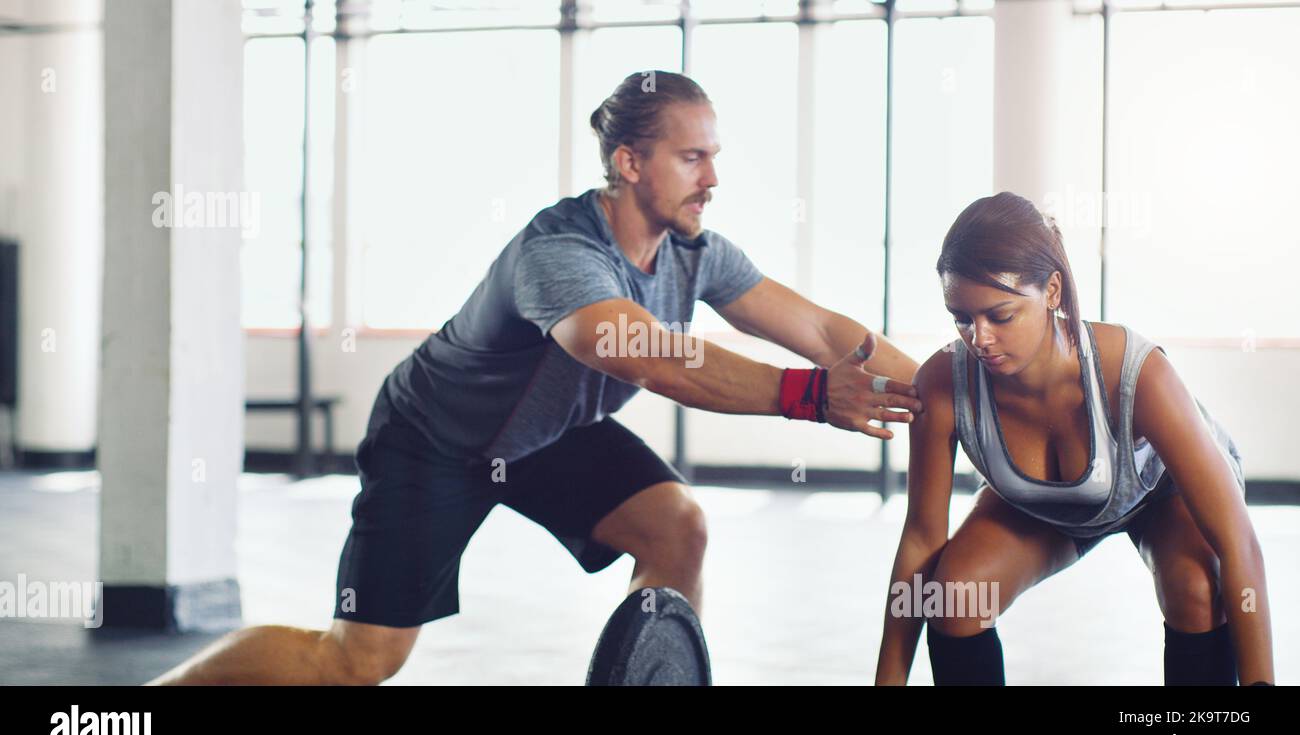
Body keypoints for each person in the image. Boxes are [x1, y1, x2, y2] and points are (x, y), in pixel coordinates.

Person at [148, 70, 923, 685]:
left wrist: (945, 391)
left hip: (547, 436)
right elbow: (647, 355)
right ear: (629, 163)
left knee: (676, 526)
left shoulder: (695, 252)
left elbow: (822, 331)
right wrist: (809, 396)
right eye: (694, 157)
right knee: (356, 662)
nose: (713, 177)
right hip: (437, 439)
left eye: (715, 156)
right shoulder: (559, 254)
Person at [874, 192, 1274, 686]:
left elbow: (1239, 544)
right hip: (1042, 507)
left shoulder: (1137, 373)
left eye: (1000, 315)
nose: (979, 339)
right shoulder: (941, 384)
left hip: (1160, 494)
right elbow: (919, 539)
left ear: (1053, 291)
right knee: (955, 594)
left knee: (1196, 585)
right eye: (961, 317)